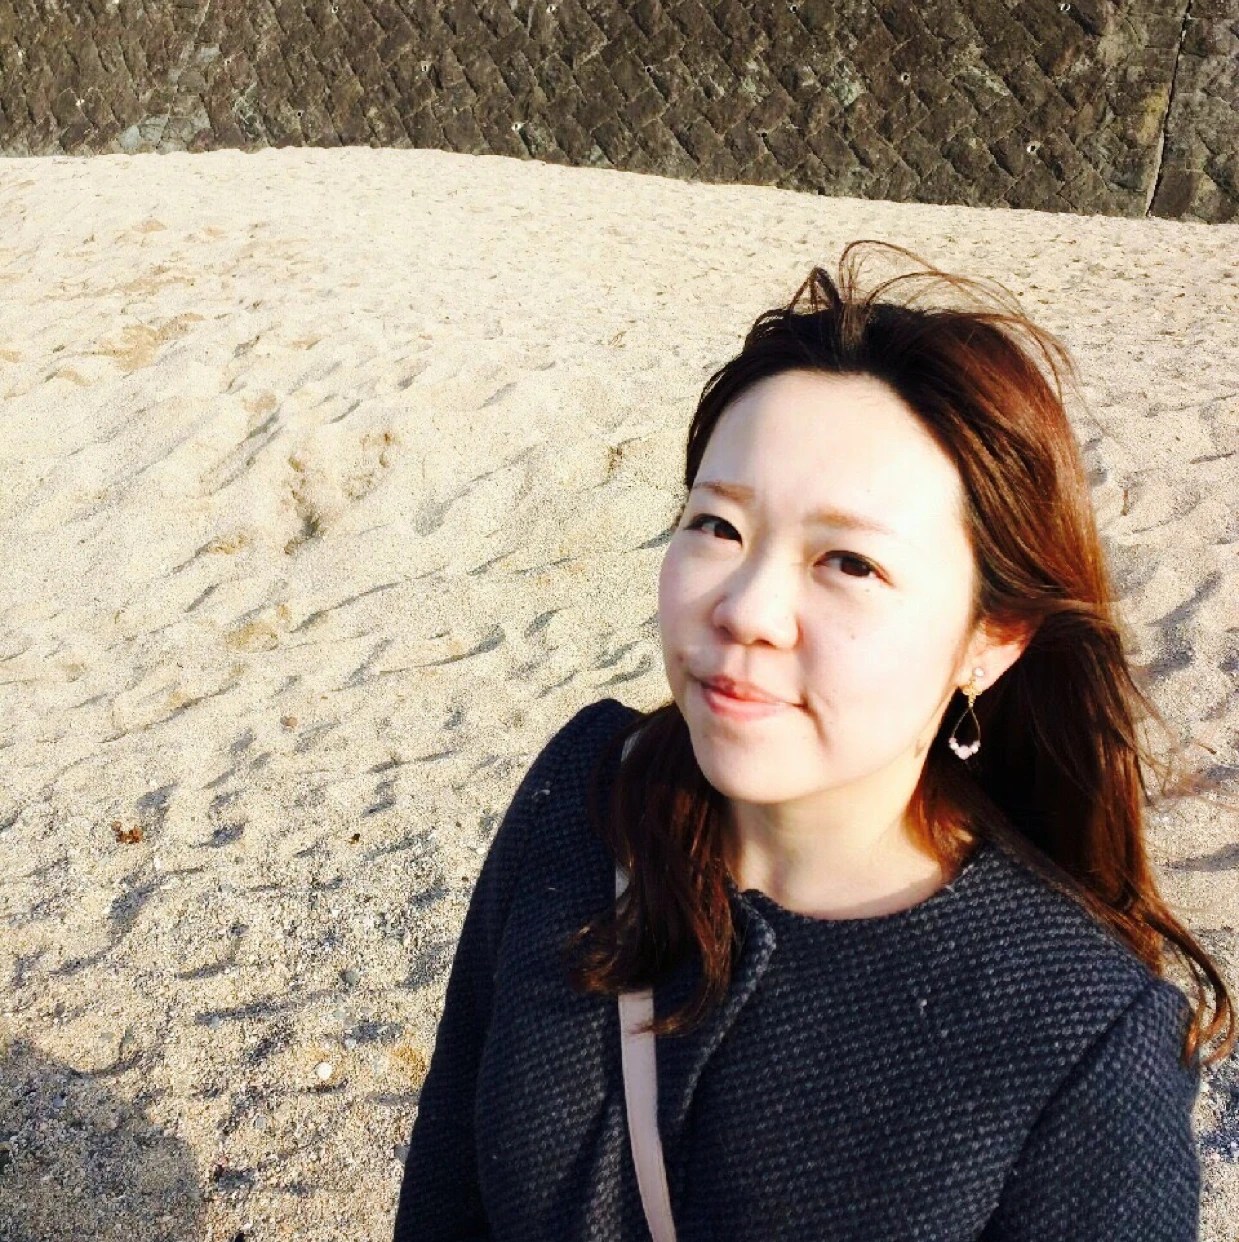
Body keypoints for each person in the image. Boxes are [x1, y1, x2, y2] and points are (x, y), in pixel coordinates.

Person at [392, 241, 1235, 1241]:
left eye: (849, 562)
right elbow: (445, 1196)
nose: (746, 609)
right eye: (717, 527)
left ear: (992, 638)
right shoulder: (585, 797)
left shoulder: (1079, 1040)